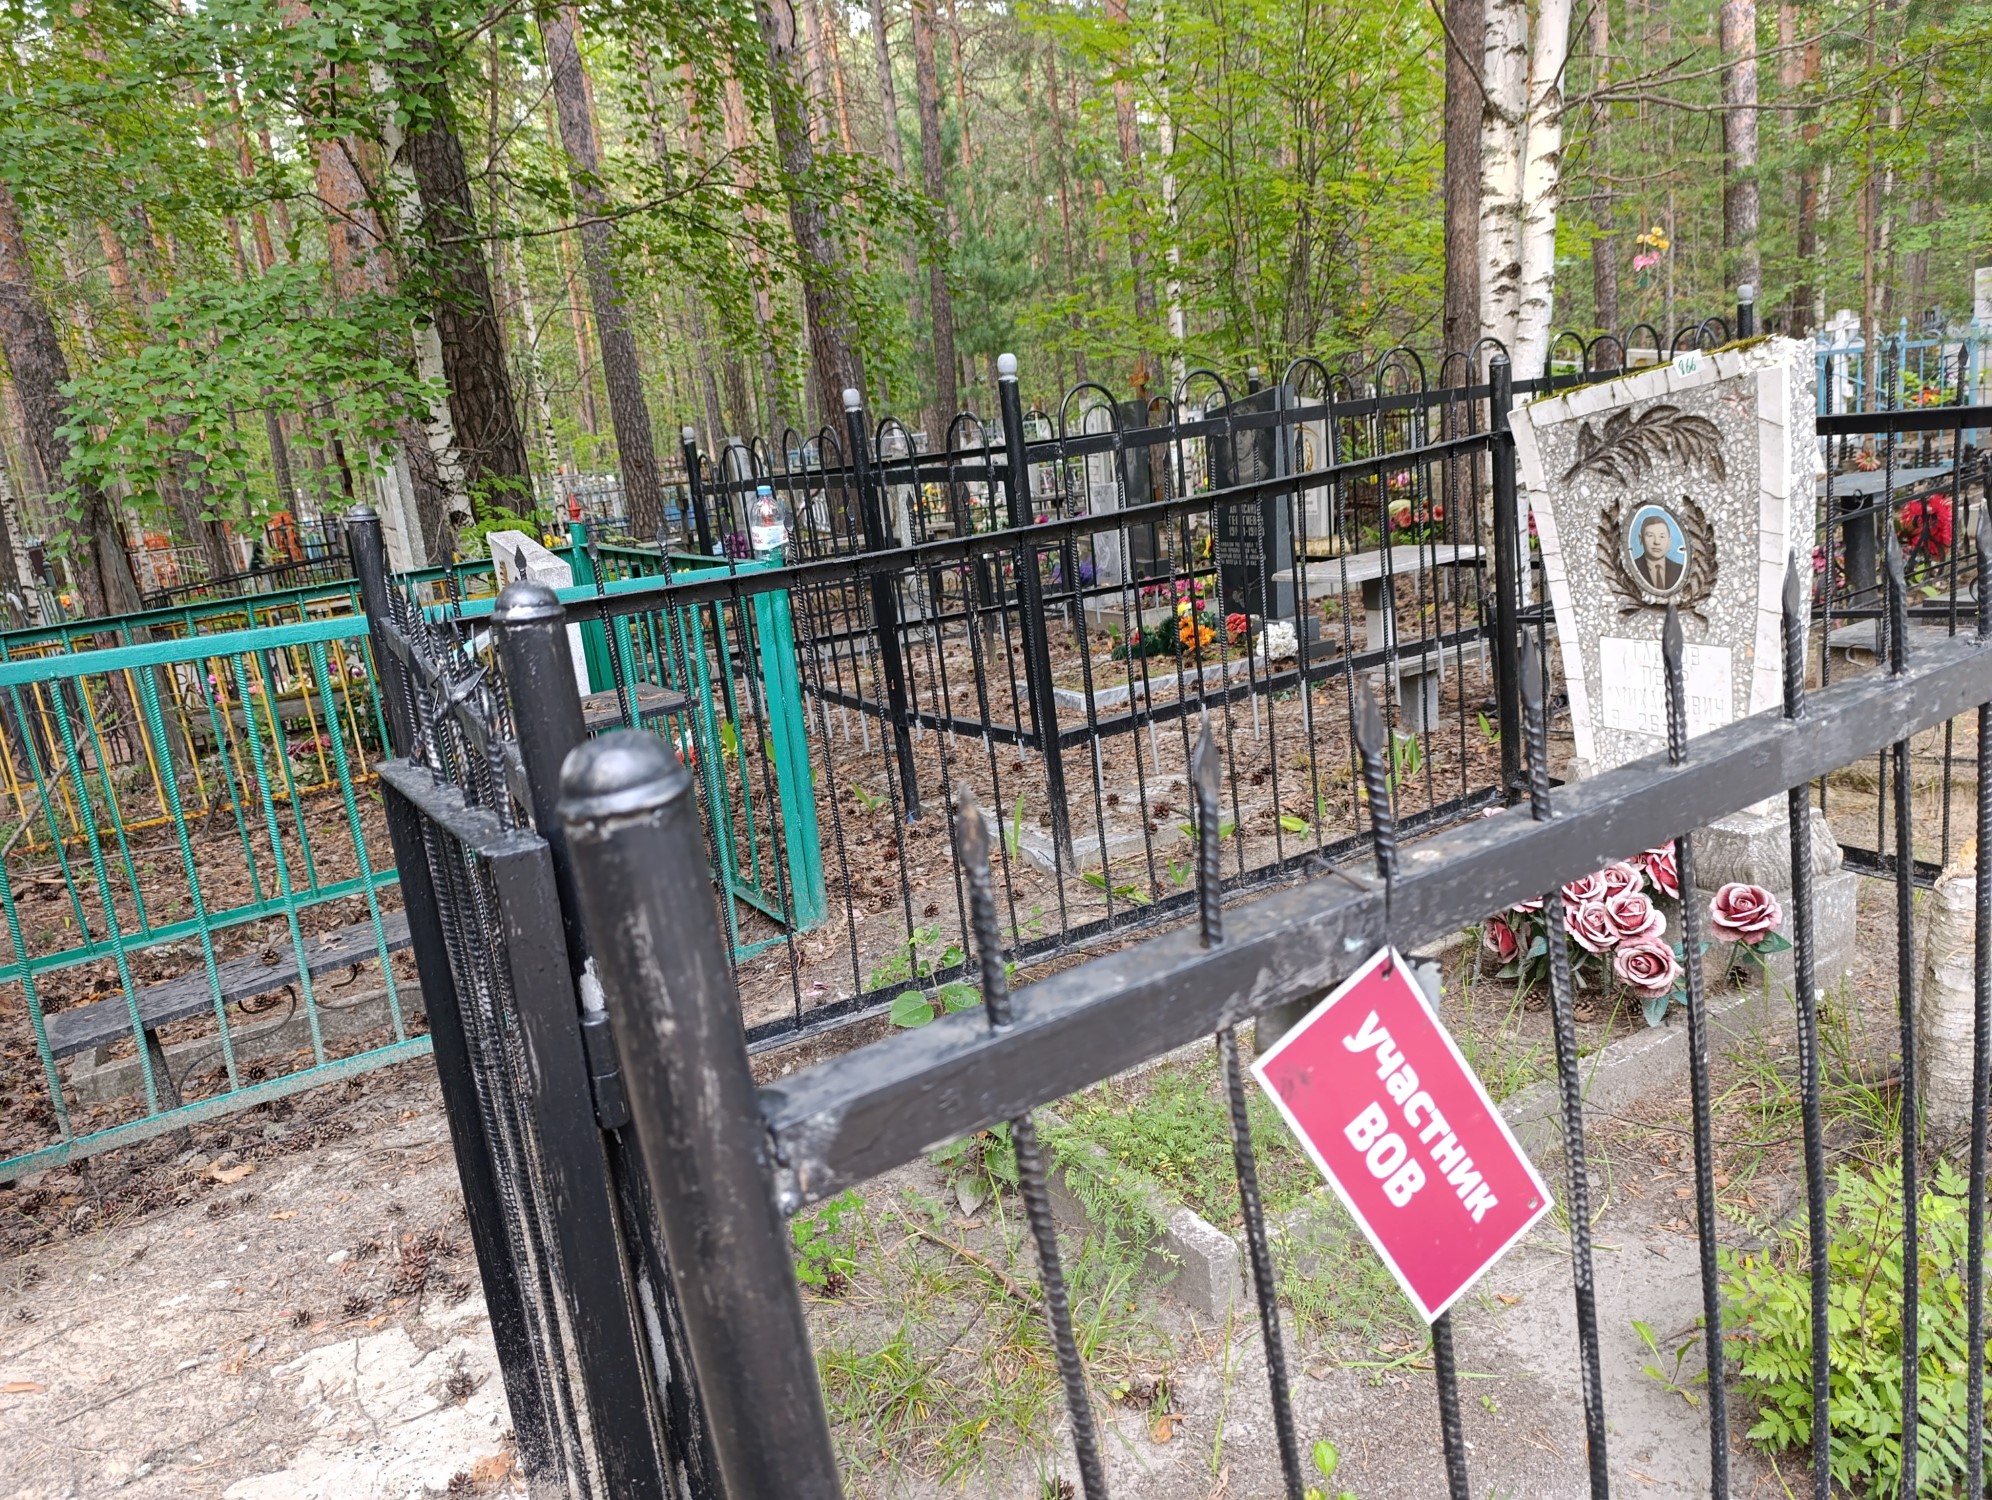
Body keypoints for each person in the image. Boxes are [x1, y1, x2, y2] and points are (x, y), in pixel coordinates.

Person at [1635, 513, 1683, 592]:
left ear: (1669, 541)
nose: (1657, 542)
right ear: (1641, 539)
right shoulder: (1633, 567)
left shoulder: (1680, 570)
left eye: (1662, 536)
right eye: (1650, 535)